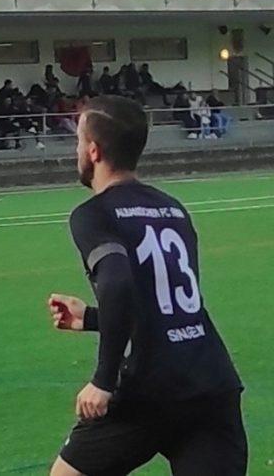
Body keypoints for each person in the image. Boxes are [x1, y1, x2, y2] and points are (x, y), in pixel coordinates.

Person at [46, 96, 245, 476]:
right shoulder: (172, 209)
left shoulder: (93, 214)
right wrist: (88, 317)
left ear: (94, 150)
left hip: (151, 389)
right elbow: (163, 306)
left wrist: (103, 381)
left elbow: (117, 282)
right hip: (211, 381)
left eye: (77, 142)